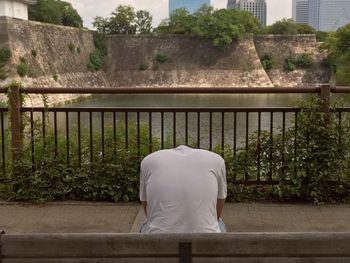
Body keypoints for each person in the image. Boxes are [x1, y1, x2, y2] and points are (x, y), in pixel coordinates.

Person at [139, 145, 227, 233]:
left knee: (147, 224)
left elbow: (147, 210)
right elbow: (218, 212)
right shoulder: (217, 161)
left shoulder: (148, 162)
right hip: (206, 241)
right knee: (220, 223)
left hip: (158, 242)